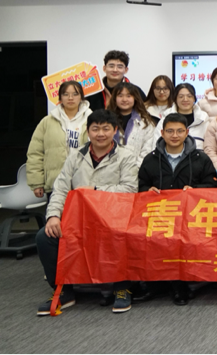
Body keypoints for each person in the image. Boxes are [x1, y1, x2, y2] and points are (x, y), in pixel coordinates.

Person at [36, 110, 138, 316]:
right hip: (79, 219)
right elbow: (61, 189)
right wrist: (53, 216)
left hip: (113, 218)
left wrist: (97, 190)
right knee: (45, 237)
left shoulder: (126, 156)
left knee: (125, 235)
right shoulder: (76, 156)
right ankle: (64, 290)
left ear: (115, 131)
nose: (100, 134)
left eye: (106, 129)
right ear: (88, 131)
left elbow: (130, 189)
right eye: (95, 129)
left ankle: (122, 287)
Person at [137, 113, 217, 305]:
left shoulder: (200, 158)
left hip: (191, 218)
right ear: (162, 133)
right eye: (170, 131)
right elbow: (141, 186)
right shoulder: (151, 159)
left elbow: (213, 186)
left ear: (187, 133)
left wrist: (195, 190)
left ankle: (180, 286)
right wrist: (148, 191)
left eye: (180, 131)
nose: (175, 135)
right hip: (160, 217)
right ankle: (158, 284)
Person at [27, 80, 92, 198]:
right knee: (56, 210)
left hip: (86, 182)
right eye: (66, 94)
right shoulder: (47, 121)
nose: (70, 98)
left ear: (82, 97)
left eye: (75, 94)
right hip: (56, 182)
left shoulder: (92, 120)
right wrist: (37, 182)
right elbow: (35, 153)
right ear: (60, 97)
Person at [106, 82, 157, 168]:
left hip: (136, 170)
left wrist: (133, 169)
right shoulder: (105, 120)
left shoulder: (146, 123)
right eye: (120, 96)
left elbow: (147, 151)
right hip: (108, 169)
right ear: (114, 98)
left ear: (135, 98)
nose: (124, 99)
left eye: (128, 96)